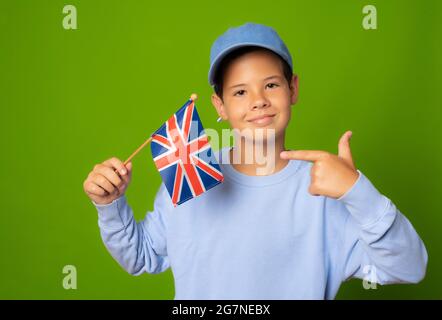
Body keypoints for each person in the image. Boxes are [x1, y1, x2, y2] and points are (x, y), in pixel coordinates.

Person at [83, 23, 427, 299]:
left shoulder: (326, 187)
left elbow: (409, 268)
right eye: (240, 92)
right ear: (220, 106)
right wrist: (111, 205)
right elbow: (142, 256)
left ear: (293, 89)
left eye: (271, 85)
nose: (258, 101)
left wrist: (357, 191)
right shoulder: (191, 173)